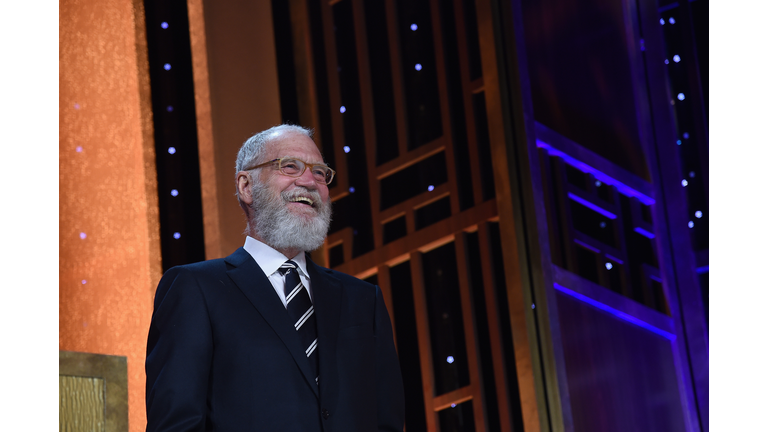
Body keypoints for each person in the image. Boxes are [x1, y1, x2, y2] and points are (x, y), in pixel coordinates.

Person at [145, 124, 405, 431]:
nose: (309, 181)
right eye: (290, 166)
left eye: (320, 173)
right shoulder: (195, 288)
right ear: (246, 186)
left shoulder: (364, 300)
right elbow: (177, 423)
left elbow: (387, 420)